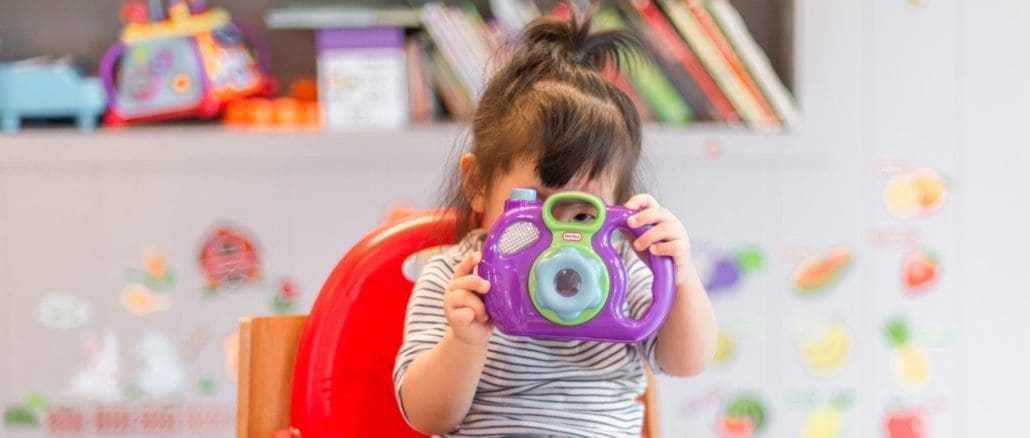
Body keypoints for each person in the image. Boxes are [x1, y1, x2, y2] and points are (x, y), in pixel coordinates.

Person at [393, 11, 718, 437]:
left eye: (584, 216)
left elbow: (686, 361)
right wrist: (464, 341)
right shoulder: (458, 280)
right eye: (535, 209)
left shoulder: (616, 271)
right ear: (477, 184)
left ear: (617, 209)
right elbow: (426, 415)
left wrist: (680, 277)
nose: (560, 238)